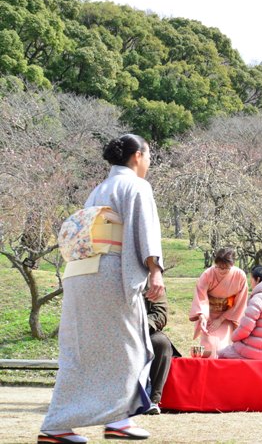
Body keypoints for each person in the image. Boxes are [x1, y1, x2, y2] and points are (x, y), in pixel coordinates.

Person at [40, 134, 164, 443]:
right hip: (111, 271)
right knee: (131, 346)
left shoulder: (98, 190)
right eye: (148, 156)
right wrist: (155, 271)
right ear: (137, 156)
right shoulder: (136, 185)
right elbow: (144, 231)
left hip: (80, 273)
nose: (149, 162)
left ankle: (70, 424)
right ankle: (116, 420)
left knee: (82, 351)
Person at [218, 265, 262, 360]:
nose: (250, 282)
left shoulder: (258, 299)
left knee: (221, 354)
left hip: (252, 351)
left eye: (251, 279)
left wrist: (233, 337)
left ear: (258, 279)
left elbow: (245, 328)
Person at [189, 247, 249, 357]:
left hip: (227, 315)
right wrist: (202, 316)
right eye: (218, 267)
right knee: (208, 345)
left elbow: (240, 302)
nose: (221, 270)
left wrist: (221, 319)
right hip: (209, 314)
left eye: (225, 268)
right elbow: (201, 297)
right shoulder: (208, 274)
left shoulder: (240, 276)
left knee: (222, 347)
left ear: (232, 264)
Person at [145, 287, 180, 415]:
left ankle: (152, 399)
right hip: (116, 331)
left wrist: (141, 327)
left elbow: (160, 313)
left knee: (161, 343)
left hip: (145, 330)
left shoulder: (152, 282)